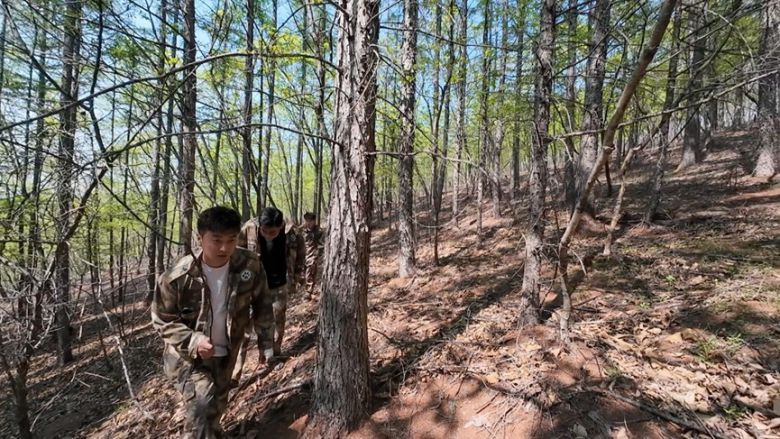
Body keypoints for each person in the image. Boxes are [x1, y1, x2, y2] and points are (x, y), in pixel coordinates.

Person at [151, 206, 274, 438]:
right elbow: (161, 320)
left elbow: (262, 304)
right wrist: (193, 339)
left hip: (227, 352)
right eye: (216, 240)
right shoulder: (178, 276)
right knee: (201, 406)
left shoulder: (250, 264)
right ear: (200, 238)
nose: (224, 248)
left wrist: (266, 342)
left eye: (231, 239)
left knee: (216, 408)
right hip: (187, 356)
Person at [302, 212, 324, 300]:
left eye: (310, 220)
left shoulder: (319, 231)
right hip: (302, 256)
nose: (308, 222)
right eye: (307, 220)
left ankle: (308, 292)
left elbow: (322, 245)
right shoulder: (302, 231)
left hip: (312, 256)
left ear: (314, 221)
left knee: (310, 273)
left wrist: (316, 255)